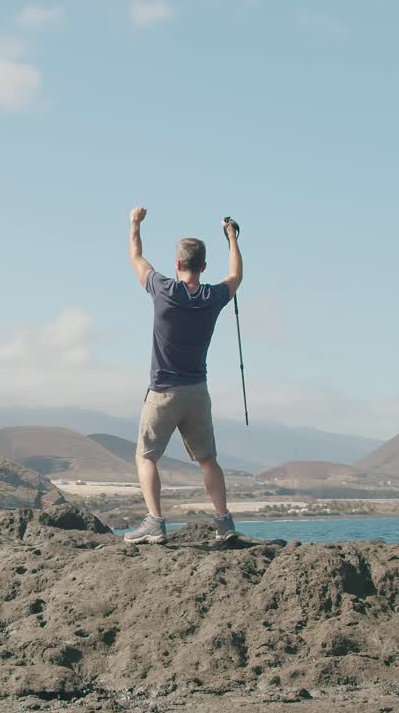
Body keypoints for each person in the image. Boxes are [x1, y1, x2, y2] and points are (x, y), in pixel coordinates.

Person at [123, 206, 243, 544]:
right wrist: (232, 237)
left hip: (163, 392)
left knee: (145, 457)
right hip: (197, 392)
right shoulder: (211, 297)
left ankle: (155, 523)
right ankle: (224, 524)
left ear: (177, 264)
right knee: (208, 460)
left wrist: (135, 223)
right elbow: (235, 276)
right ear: (203, 267)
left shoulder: (163, 289)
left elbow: (136, 256)